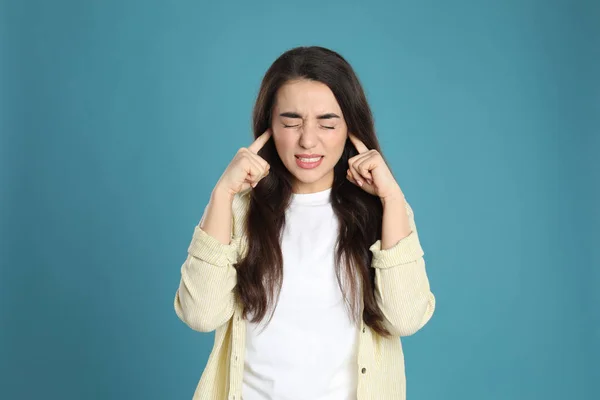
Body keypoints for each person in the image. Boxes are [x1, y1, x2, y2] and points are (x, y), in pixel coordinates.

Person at [174, 46, 436, 400]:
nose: (308, 140)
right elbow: (201, 315)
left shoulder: (383, 211)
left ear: (350, 129)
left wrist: (391, 199)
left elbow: (405, 319)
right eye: (291, 121)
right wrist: (222, 194)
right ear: (269, 126)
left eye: (327, 123)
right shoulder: (238, 208)